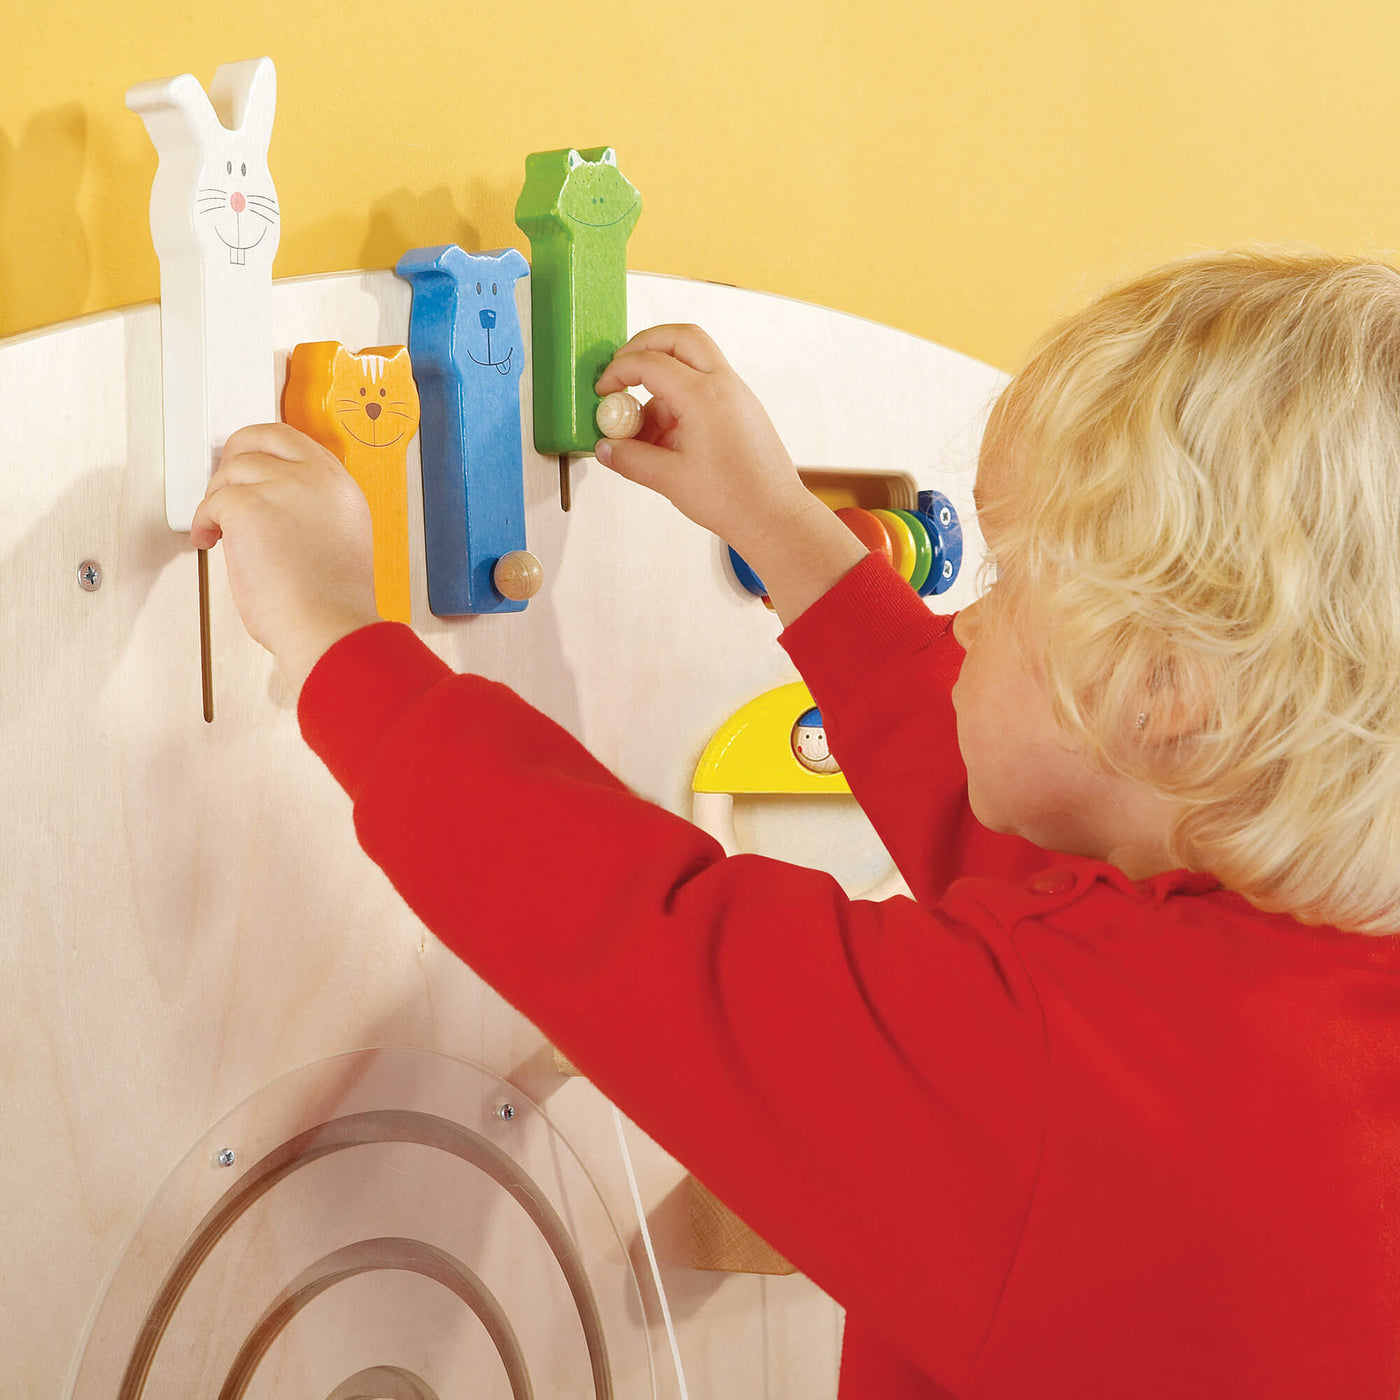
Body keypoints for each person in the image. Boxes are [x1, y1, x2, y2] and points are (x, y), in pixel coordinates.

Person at [191, 247, 1400, 1399]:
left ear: (1167, 690)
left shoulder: (1052, 1080)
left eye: (1010, 579)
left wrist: (335, 635)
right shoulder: (1282, 1001)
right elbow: (1028, 846)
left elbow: (643, 937)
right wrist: (781, 531)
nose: (967, 624)